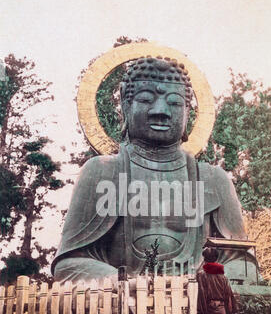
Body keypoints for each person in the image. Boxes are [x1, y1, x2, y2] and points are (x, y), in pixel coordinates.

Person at [51, 56, 257, 284]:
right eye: (146, 100)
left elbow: (243, 264)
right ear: (126, 105)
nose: (161, 111)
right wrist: (121, 283)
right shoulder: (101, 171)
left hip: (198, 298)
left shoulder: (212, 179)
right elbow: (68, 265)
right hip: (123, 301)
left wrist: (206, 283)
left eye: (175, 103)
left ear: (188, 112)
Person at [196, 247, 237, 314]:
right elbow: (228, 296)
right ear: (216, 259)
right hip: (221, 310)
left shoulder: (201, 275)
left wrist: (201, 313)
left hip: (208, 310)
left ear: (205, 259)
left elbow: (201, 295)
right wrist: (229, 313)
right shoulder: (223, 276)